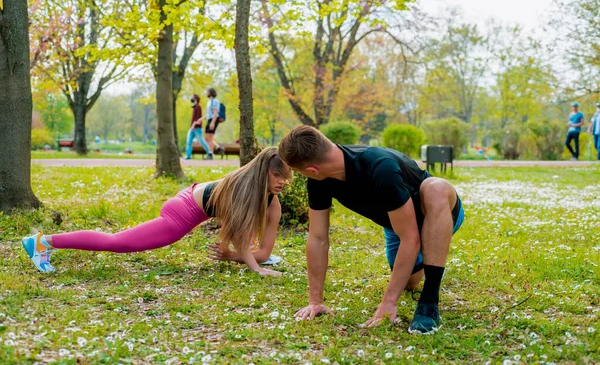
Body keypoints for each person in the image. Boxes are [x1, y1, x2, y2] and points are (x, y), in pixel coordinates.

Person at [278, 126, 465, 334]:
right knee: (409, 283)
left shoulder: (380, 167)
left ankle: (429, 303)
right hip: (398, 226)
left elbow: (411, 238)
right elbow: (318, 237)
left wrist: (389, 303)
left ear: (312, 169)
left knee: (435, 188)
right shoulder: (319, 181)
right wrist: (315, 301)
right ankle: (430, 259)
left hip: (438, 213)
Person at [22, 148, 291, 276]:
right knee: (119, 242)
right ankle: (43, 241)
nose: (281, 182)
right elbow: (244, 241)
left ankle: (45, 241)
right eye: (276, 175)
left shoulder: (272, 203)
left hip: (191, 199)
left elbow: (263, 252)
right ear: (262, 171)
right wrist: (255, 268)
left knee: (119, 241)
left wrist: (235, 256)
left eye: (285, 177)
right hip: (181, 214)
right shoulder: (244, 191)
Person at [184, 94, 210, 160]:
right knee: (188, 142)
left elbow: (197, 118)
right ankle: (188, 156)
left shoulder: (198, 107)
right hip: (192, 128)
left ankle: (210, 153)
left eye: (192, 97)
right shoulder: (194, 107)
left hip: (197, 128)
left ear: (195, 99)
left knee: (201, 141)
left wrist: (193, 125)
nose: (191, 98)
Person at [204, 87, 221, 160]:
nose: (206, 93)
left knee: (210, 137)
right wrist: (201, 119)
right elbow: (208, 114)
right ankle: (218, 147)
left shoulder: (215, 101)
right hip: (209, 119)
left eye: (207, 91)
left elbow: (215, 112)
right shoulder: (209, 101)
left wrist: (212, 123)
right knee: (207, 138)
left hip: (213, 119)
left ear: (210, 92)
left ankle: (210, 154)